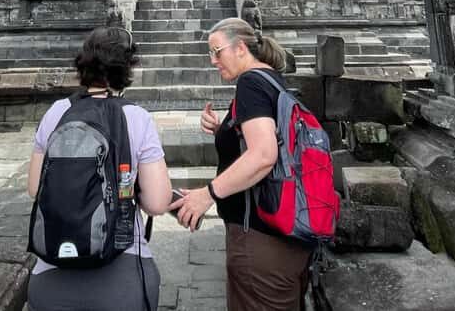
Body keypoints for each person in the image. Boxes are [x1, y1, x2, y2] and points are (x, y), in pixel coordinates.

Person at [171, 17, 312, 311]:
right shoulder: (272, 80)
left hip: (260, 242)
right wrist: (224, 128)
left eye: (216, 51)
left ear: (240, 48)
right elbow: (266, 139)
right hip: (284, 238)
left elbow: (263, 155)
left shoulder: (250, 83)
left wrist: (206, 194)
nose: (213, 60)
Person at [27, 26, 172, 311]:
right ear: (126, 68)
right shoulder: (136, 117)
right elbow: (157, 203)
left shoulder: (56, 111)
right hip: (121, 272)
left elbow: (35, 188)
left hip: (51, 272)